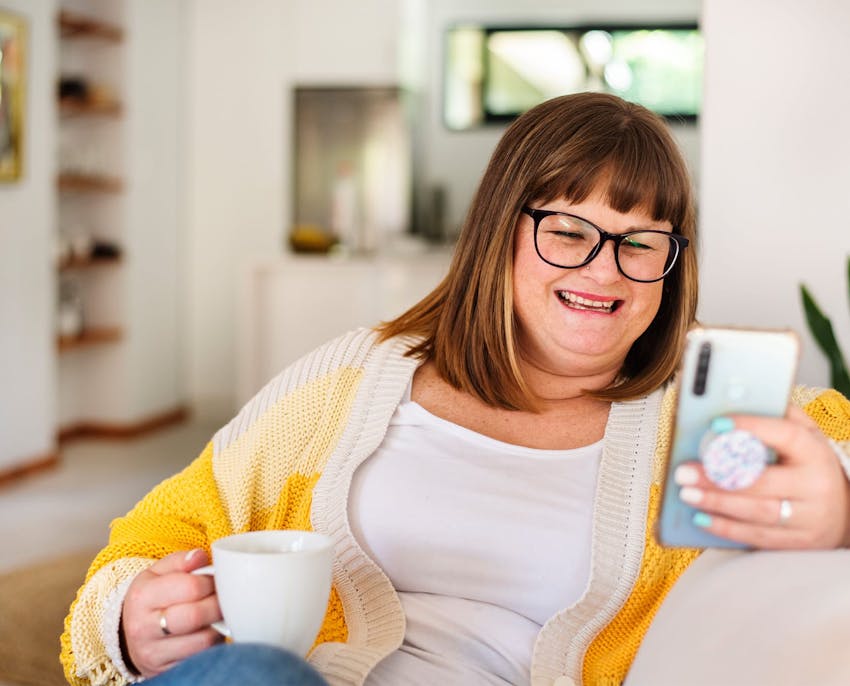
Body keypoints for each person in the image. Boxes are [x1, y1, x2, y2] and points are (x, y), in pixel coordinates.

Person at [61, 92, 850, 686]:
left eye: (641, 242)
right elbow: (161, 529)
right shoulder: (351, 380)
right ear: (498, 231)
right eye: (569, 231)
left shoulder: (717, 417)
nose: (604, 269)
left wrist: (839, 506)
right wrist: (131, 624)